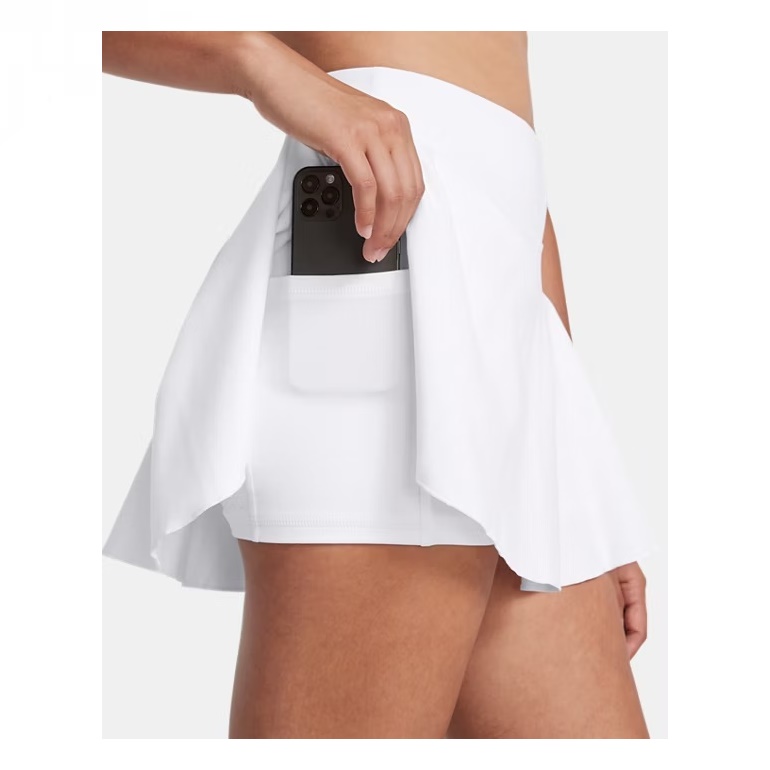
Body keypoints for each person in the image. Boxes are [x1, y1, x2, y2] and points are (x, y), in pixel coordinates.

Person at [102, 31, 655, 739]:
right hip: (377, 273)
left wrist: (571, 473)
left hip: (506, 309)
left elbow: (518, 200)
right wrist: (258, 62)